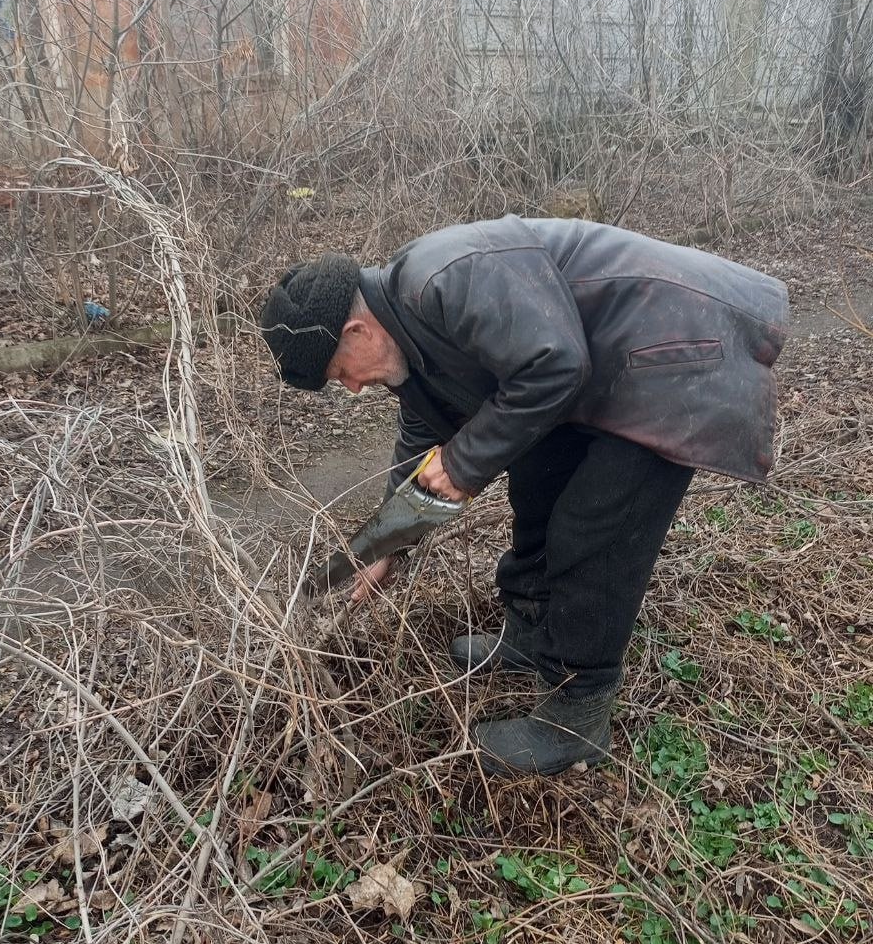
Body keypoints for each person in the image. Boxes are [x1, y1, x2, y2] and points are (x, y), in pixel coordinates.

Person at [259, 214, 788, 779]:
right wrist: (390, 541)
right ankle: (532, 632)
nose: (352, 387)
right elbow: (422, 429)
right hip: (607, 370)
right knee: (537, 482)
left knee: (592, 528)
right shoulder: (405, 328)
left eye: (340, 372)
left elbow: (556, 363)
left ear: (356, 332)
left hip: (677, 354)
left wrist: (463, 465)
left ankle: (576, 718)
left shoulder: (445, 279)